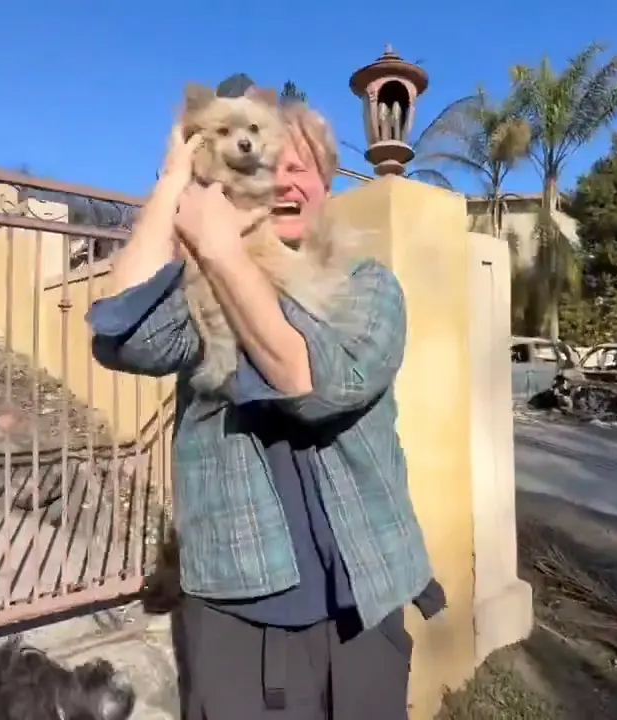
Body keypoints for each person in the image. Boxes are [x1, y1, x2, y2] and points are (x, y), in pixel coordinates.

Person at [86, 74, 443, 720]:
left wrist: (223, 252)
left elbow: (317, 383)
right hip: (237, 619)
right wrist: (172, 181)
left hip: (365, 606)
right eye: (271, 162)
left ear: (327, 185)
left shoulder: (369, 289)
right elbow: (119, 332)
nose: (285, 179)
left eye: (303, 167)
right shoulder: (205, 289)